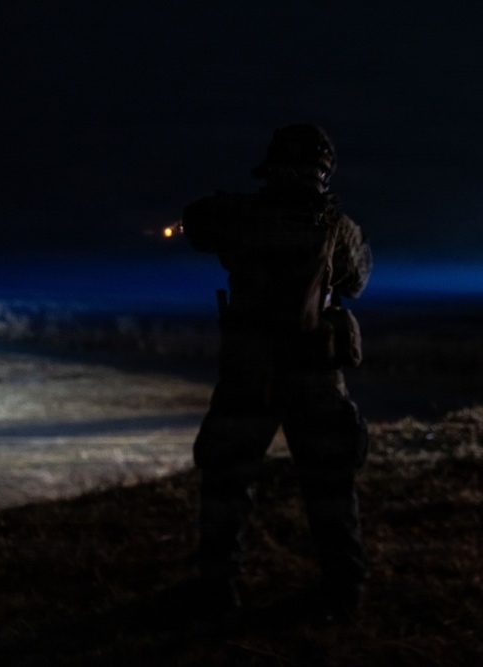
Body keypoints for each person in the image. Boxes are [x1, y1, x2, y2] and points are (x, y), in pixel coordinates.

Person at [181, 124, 373, 623]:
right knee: (330, 484)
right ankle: (345, 589)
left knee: (227, 483)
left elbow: (195, 225)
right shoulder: (339, 227)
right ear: (325, 169)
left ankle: (217, 590)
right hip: (315, 376)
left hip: (251, 373)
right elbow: (356, 281)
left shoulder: (241, 215)